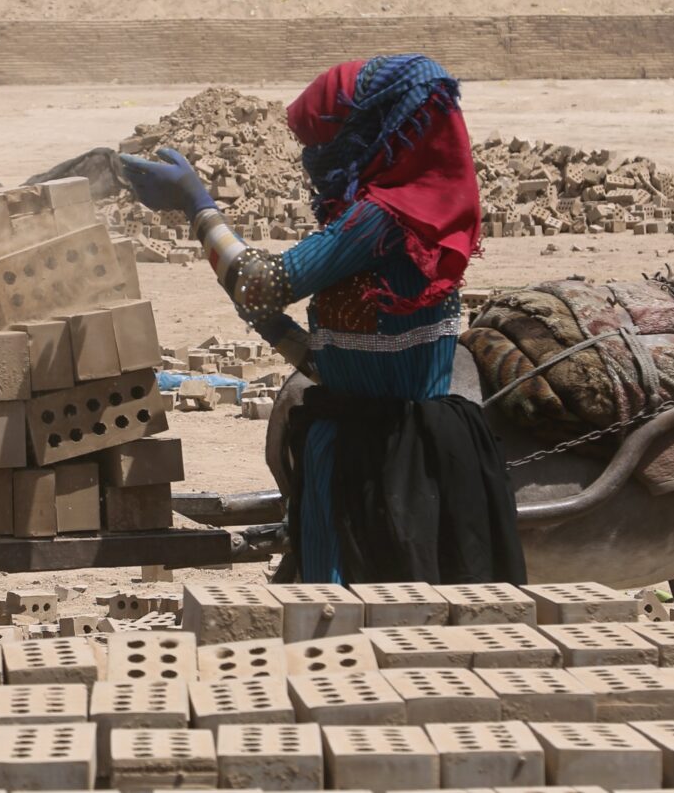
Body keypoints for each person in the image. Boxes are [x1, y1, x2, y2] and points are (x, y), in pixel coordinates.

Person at [121, 54, 525, 586]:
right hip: (428, 450)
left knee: (350, 629)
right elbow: (345, 352)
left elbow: (261, 283)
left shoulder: (379, 220)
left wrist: (198, 206)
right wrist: (269, 322)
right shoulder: (432, 213)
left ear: (375, 132)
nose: (316, 156)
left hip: (373, 463)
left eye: (324, 141)